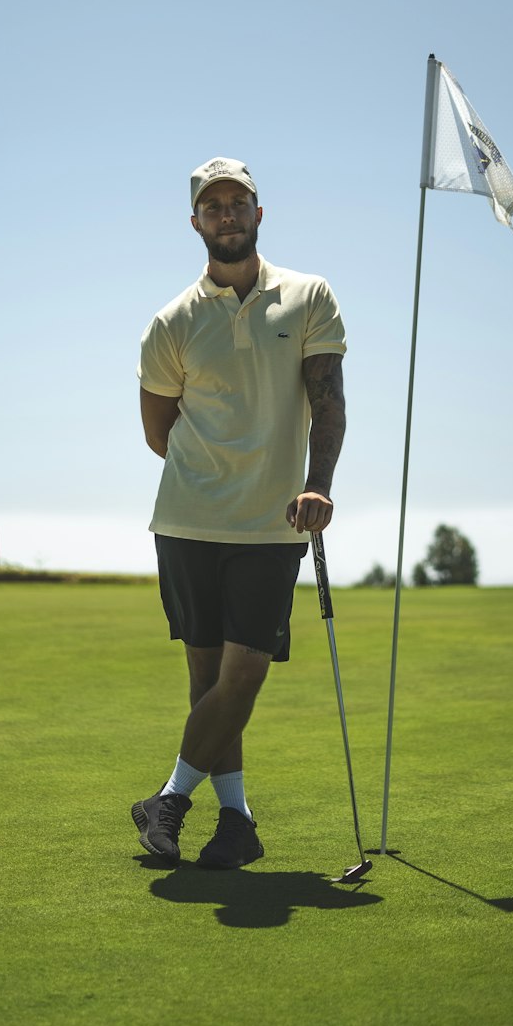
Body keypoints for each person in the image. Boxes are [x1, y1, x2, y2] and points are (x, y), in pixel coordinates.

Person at [132, 155, 347, 869]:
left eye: (238, 202)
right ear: (196, 221)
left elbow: (328, 404)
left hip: (272, 524)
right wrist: (215, 469)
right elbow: (158, 431)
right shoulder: (171, 322)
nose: (227, 214)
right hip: (188, 522)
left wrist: (317, 482)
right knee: (209, 683)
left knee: (244, 675)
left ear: (259, 213)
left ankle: (167, 800)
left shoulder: (309, 295)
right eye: (213, 205)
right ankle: (236, 824)